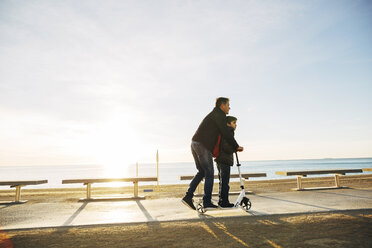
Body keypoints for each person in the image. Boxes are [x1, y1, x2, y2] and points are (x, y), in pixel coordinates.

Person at [182, 97, 243, 210]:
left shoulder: (214, 115)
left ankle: (188, 196)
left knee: (202, 172)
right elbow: (225, 133)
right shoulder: (219, 115)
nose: (229, 107)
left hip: (194, 143)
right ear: (222, 105)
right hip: (202, 145)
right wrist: (236, 146)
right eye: (228, 105)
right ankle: (207, 202)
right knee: (209, 172)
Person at [215, 116, 238, 208]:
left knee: (222, 181)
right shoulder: (229, 131)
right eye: (234, 123)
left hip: (219, 158)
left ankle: (222, 200)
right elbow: (226, 146)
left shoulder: (222, 131)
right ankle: (224, 202)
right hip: (224, 159)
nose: (236, 125)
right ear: (228, 124)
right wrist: (235, 148)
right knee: (225, 182)